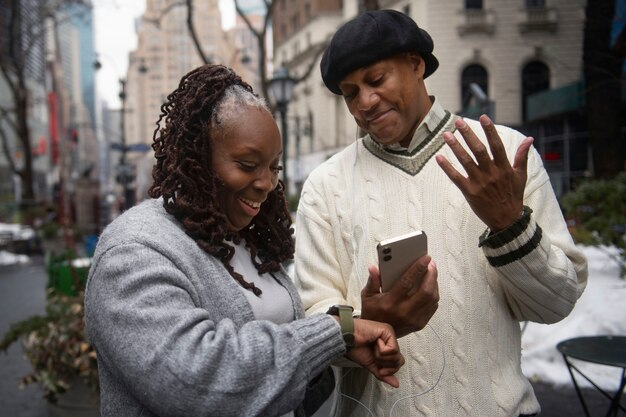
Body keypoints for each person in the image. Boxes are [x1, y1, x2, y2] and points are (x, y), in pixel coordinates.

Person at [294, 9, 588, 417]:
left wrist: (509, 224)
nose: (364, 101)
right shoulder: (324, 186)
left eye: (376, 80)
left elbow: (556, 304)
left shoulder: (502, 155)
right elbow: (312, 319)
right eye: (350, 92)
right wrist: (361, 326)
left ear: (416, 64)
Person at [84, 64, 406, 417]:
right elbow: (198, 383)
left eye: (273, 167)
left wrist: (343, 343)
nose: (266, 182)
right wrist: (331, 332)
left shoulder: (245, 242)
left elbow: (281, 369)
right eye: (247, 164)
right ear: (198, 157)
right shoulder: (134, 251)